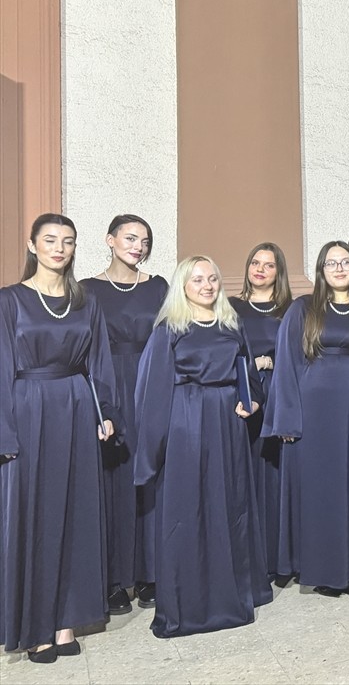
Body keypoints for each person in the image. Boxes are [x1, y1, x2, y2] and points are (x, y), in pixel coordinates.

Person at [133, 256, 272, 637]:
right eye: (198, 279)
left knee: (230, 504)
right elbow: (153, 392)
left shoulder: (231, 323)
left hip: (227, 422)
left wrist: (254, 399)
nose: (207, 285)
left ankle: (236, 592)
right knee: (188, 508)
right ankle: (189, 606)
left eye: (212, 278)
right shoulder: (169, 329)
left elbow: (248, 370)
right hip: (186, 422)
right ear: (183, 285)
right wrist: (152, 451)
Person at [1, 214, 118, 663]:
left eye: (67, 241)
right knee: (34, 518)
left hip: (74, 405)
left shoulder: (86, 301)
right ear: (32, 245)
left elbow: (100, 362)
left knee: (75, 512)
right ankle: (35, 627)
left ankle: (66, 620)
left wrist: (105, 412)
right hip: (27, 408)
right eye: (50, 240)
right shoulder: (9, 300)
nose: (59, 248)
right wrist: (4, 431)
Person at [262, 241, 349, 595]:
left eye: (346, 262)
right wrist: (287, 420)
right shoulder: (303, 308)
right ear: (321, 270)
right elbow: (287, 366)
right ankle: (321, 566)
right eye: (331, 263)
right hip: (313, 412)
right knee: (319, 489)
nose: (339, 268)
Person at [85, 214, 169, 614]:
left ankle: (152, 574)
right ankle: (114, 580)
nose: (138, 246)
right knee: (114, 482)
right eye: (131, 238)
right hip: (108, 387)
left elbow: (175, 338)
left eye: (145, 240)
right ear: (110, 240)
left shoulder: (158, 287)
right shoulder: (86, 290)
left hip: (150, 384)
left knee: (151, 478)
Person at [229, 242, 293, 578]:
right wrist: (253, 365)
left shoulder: (291, 309)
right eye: (255, 262)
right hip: (243, 396)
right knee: (245, 474)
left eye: (269, 265)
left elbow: (302, 355)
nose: (260, 269)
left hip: (278, 394)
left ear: (278, 272)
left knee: (277, 475)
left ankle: (279, 558)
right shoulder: (231, 307)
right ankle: (247, 559)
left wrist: (271, 361)